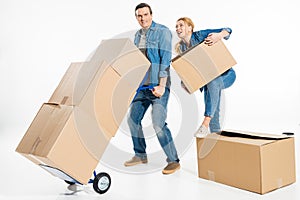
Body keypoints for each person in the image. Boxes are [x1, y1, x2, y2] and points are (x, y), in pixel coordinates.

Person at [124, 3, 180, 175]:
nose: (143, 19)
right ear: (136, 17)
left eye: (146, 14)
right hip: (142, 87)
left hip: (158, 86)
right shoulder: (136, 36)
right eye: (139, 16)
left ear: (151, 14)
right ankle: (140, 154)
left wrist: (162, 86)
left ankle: (173, 160)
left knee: (158, 123)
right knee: (133, 120)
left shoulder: (162, 32)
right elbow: (137, 63)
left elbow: (165, 60)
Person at [175, 17, 236, 137]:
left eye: (181, 25)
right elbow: (190, 69)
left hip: (226, 75)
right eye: (176, 26)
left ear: (190, 28)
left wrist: (219, 36)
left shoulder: (200, 35)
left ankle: (205, 124)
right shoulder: (182, 47)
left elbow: (228, 30)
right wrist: (185, 82)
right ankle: (215, 137)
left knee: (214, 80)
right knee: (215, 109)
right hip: (208, 83)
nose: (178, 28)